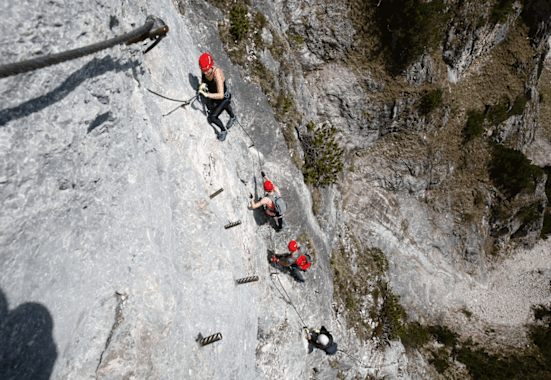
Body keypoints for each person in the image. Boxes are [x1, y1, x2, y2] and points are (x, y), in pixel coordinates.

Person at [197, 53, 237, 142]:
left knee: (213, 117)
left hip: (224, 97)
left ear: (211, 66)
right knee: (220, 106)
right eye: (203, 70)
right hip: (215, 97)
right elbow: (204, 80)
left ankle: (223, 131)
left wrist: (207, 95)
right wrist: (202, 85)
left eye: (207, 70)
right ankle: (233, 117)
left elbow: (221, 95)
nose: (205, 72)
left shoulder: (217, 73)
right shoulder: (204, 70)